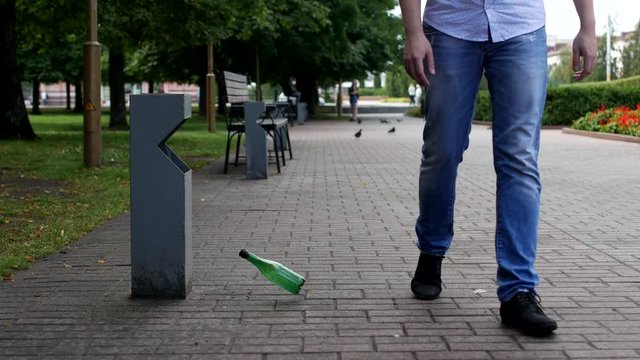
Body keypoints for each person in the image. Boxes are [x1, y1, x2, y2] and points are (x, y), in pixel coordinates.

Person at [399, 0, 596, 337]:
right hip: (450, 25)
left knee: (519, 158)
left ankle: (518, 290)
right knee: (442, 151)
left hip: (521, 25)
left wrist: (588, 26)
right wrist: (413, 30)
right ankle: (431, 248)